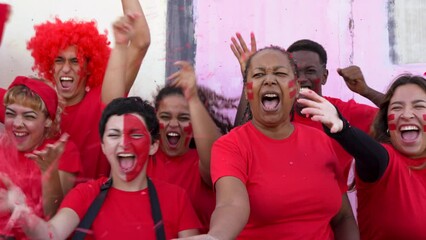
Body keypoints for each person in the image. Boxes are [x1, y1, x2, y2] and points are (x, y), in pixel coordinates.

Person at [178, 46, 359, 240]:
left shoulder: (321, 141)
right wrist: (215, 237)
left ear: (296, 88)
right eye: (258, 74)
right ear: (248, 90)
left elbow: (343, 218)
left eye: (280, 73)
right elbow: (231, 204)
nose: (269, 79)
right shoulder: (231, 145)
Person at [0, 96, 203, 239]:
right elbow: (50, 236)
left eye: (136, 134)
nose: (124, 144)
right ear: (104, 146)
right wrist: (21, 212)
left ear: (153, 145)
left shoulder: (176, 198)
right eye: (114, 135)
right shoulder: (85, 194)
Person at [26, 0, 150, 182]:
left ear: (89, 68)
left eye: (75, 61)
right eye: (59, 60)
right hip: (43, 207)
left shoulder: (102, 98)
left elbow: (141, 42)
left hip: (93, 205)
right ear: (50, 66)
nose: (66, 68)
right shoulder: (33, 106)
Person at [232, 34, 380, 183]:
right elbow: (239, 138)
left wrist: (366, 90)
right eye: (295, 72)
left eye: (310, 71)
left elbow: (395, 116)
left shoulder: (342, 112)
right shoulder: (274, 111)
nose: (302, 78)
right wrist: (249, 77)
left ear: (324, 76)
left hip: (332, 201)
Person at [298, 74, 426, 240]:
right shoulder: (384, 160)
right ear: (387, 124)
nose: (406, 114)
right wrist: (343, 129)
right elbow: (369, 152)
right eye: (397, 108)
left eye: (419, 106)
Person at [0, 76, 81, 239]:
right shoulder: (2, 144)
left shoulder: (62, 150)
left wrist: (48, 171)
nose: (17, 123)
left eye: (29, 116)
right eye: (10, 114)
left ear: (48, 121)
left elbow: (54, 215)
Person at [147, 61, 222, 233]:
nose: (173, 124)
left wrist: (193, 98)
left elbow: (216, 162)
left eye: (183, 118)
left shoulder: (200, 162)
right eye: (165, 116)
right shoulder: (143, 160)